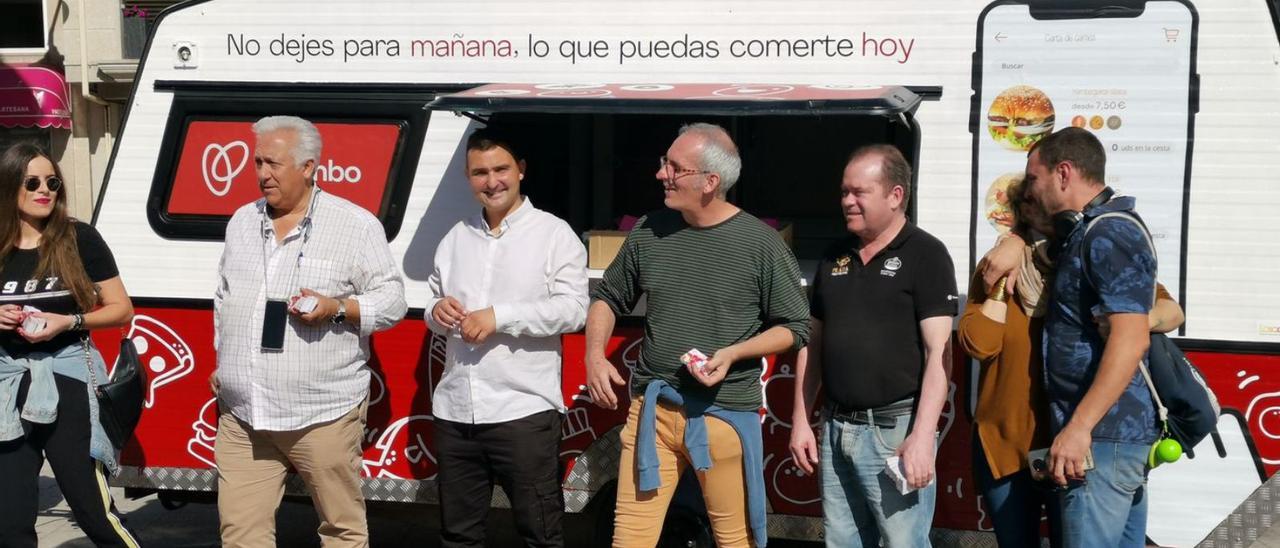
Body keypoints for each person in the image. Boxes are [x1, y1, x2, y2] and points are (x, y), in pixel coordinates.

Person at [585, 123, 810, 547]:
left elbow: (795, 329)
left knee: (735, 541)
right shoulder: (649, 231)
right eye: (663, 163)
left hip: (723, 417)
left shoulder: (761, 245)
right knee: (629, 540)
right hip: (653, 413)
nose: (660, 174)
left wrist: (734, 353)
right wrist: (594, 356)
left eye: (675, 167)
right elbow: (608, 297)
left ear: (711, 182)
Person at [210, 116, 407, 548]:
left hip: (323, 415)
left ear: (309, 167)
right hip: (246, 416)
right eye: (258, 162)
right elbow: (223, 298)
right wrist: (222, 357)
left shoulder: (354, 225)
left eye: (274, 164)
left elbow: (393, 301)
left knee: (341, 531)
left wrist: (339, 307)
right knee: (240, 535)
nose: (262, 173)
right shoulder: (242, 221)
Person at [958, 175, 1184, 548]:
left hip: (1074, 443)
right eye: (1027, 205)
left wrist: (1132, 324)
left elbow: (1171, 311)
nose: (1041, 208)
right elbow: (979, 343)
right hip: (1007, 442)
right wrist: (1005, 270)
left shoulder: (1086, 256)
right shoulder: (998, 263)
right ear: (1021, 213)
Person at [426, 129, 588, 548]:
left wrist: (501, 316)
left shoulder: (554, 234)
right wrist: (436, 312)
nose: (491, 181)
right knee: (458, 536)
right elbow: (432, 301)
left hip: (523, 410)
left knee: (540, 534)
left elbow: (573, 310)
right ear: (468, 177)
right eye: (480, 172)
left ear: (521, 170)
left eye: (500, 169)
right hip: (457, 410)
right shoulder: (455, 237)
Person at [789, 144, 956, 548]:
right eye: (845, 191)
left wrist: (921, 436)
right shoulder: (834, 257)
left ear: (896, 195)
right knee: (840, 541)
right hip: (836, 426)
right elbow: (812, 343)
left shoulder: (926, 255)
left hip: (893, 431)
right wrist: (799, 419)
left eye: (859, 192)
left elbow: (941, 355)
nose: (847, 201)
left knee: (903, 543)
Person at [1020, 126, 1159, 547]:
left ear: (1063, 174)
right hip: (1109, 437)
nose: (1032, 189)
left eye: (1034, 178)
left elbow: (1132, 339)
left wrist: (1079, 427)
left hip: (1103, 438)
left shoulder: (1108, 232)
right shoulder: (1088, 232)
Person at [0, 142, 140, 547]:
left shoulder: (79, 238)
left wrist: (68, 320)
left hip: (67, 380)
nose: (45, 190)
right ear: (9, 187)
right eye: (33, 182)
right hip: (8, 385)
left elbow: (121, 309)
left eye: (52, 181)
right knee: (8, 525)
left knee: (94, 513)